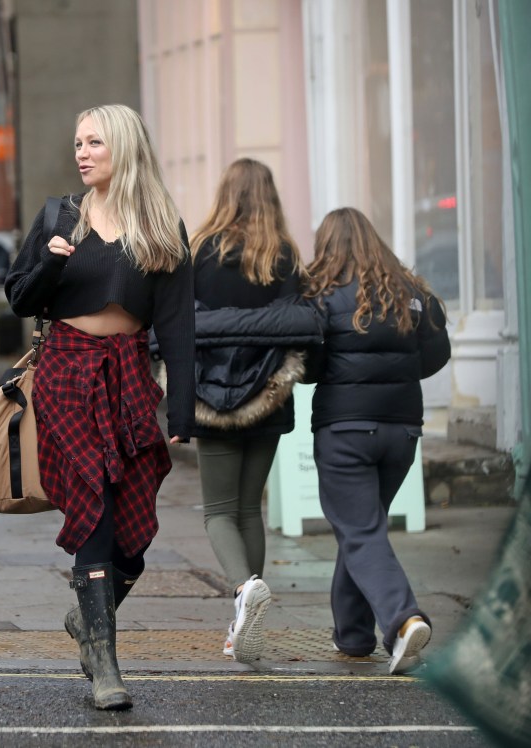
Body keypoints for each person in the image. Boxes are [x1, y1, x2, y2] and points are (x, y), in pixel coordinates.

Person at [5, 104, 195, 710]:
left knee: (134, 539)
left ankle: (89, 621)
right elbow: (18, 298)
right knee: (95, 510)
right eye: (78, 142)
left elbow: (179, 325)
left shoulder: (161, 224)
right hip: (66, 374)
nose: (82, 152)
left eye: (95, 143)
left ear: (125, 149)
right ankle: (106, 665)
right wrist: (52, 260)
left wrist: (183, 412)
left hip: (130, 379)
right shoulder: (59, 216)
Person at [301, 207, 451, 675]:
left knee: (361, 531)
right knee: (362, 529)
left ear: (328, 246)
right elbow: (434, 356)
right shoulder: (412, 293)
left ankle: (403, 619)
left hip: (345, 431)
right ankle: (353, 636)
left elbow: (307, 367)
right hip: (402, 431)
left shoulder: (320, 296)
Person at [187, 158, 319, 663]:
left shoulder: (200, 251)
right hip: (267, 393)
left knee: (218, 511)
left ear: (226, 194)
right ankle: (244, 617)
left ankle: (244, 590)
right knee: (248, 508)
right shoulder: (283, 255)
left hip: (211, 393)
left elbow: (181, 329)